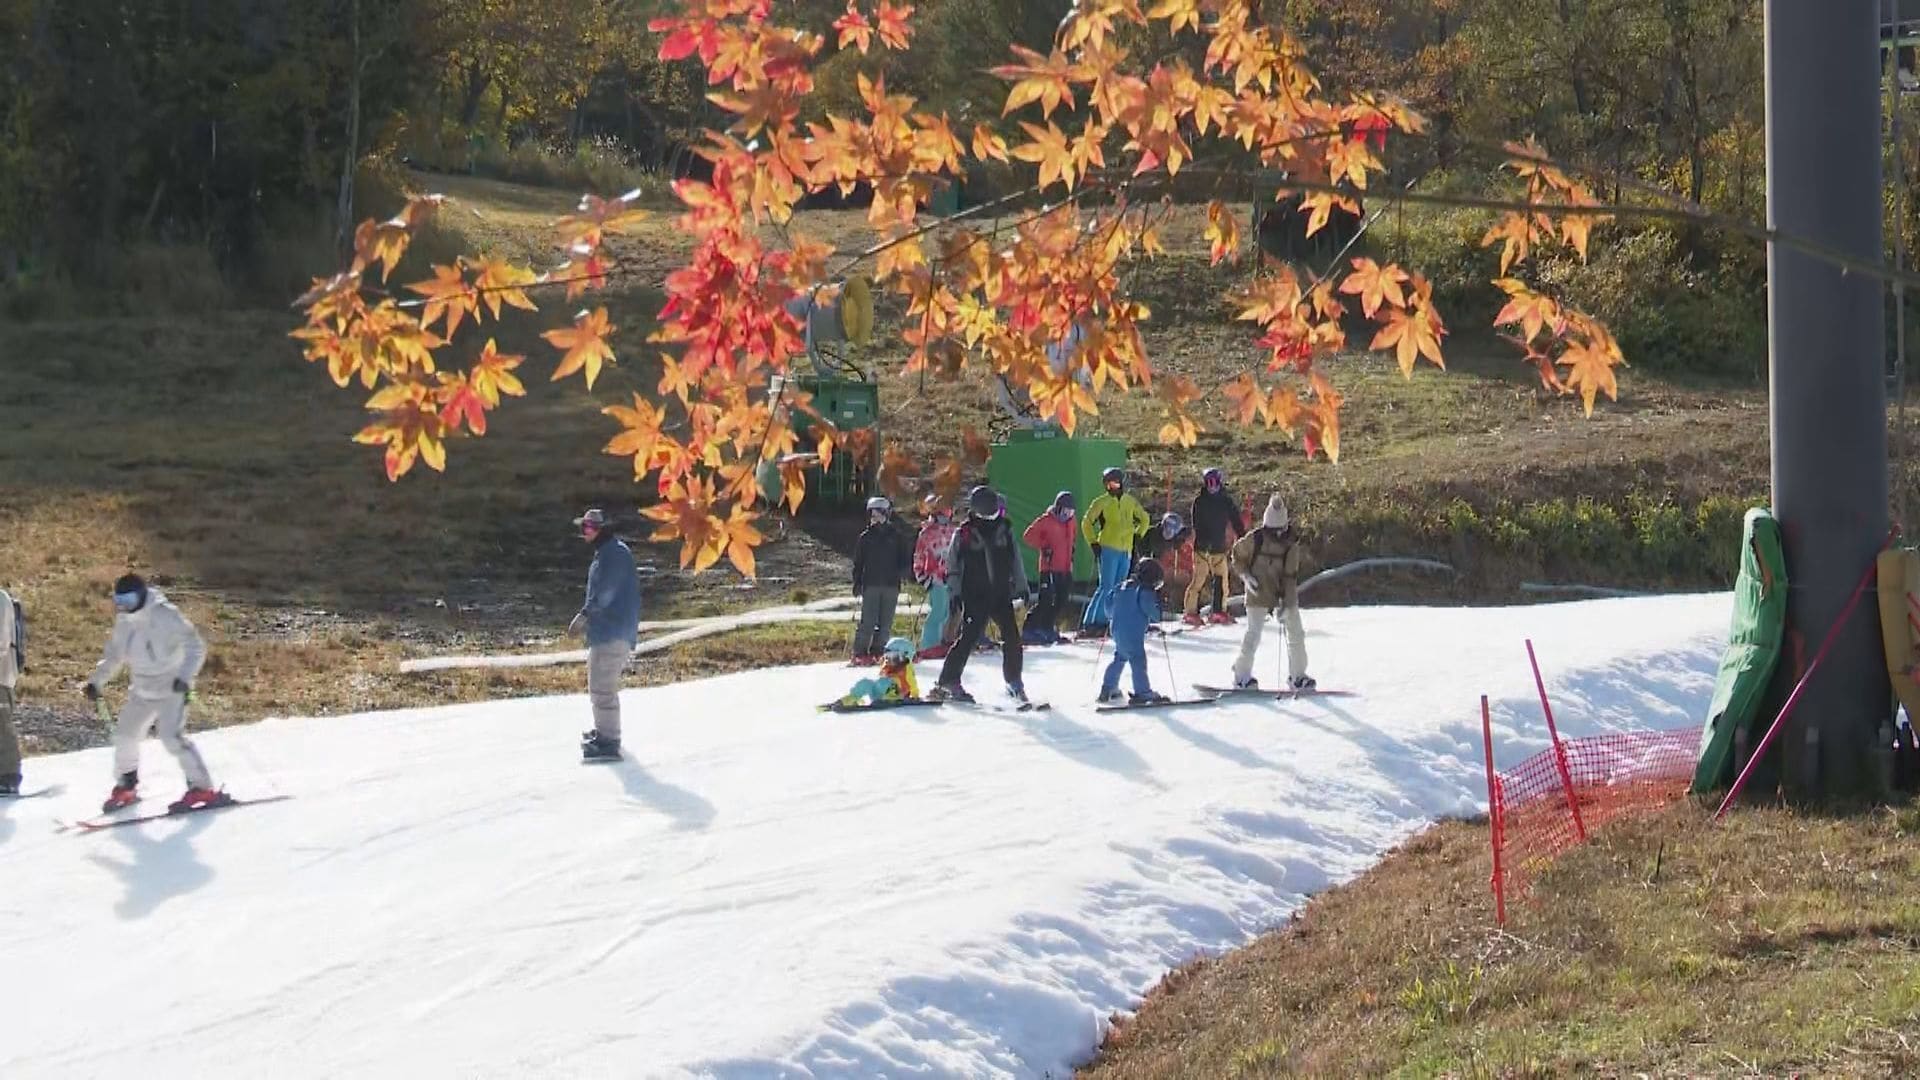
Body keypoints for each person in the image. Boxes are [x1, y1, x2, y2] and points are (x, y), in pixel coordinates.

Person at [85, 574, 220, 813]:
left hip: (172, 687)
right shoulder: (124, 621)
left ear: (142, 595)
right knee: (125, 736)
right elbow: (115, 655)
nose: (124, 605)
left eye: (128, 599)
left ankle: (202, 788)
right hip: (142, 690)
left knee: (171, 738)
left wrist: (185, 677)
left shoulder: (165, 614)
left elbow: (195, 645)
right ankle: (127, 784)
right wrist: (96, 681)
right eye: (119, 600)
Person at [930, 485, 1028, 704]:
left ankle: (1014, 679)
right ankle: (948, 680)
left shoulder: (1005, 529)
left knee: (1012, 636)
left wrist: (1022, 586)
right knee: (969, 637)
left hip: (1001, 593)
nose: (992, 518)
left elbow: (1015, 560)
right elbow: (953, 566)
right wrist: (954, 593)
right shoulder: (964, 533)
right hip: (975, 594)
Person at [568, 508, 642, 762]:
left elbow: (607, 591)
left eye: (588, 528)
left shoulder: (615, 554)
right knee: (597, 682)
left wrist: (585, 615)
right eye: (583, 527)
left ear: (601, 529)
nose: (584, 533)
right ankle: (604, 731)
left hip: (613, 631)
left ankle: (609, 741)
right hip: (606, 631)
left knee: (602, 687)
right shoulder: (607, 552)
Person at [1229, 494, 1315, 691]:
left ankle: (1298, 675)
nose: (1276, 535)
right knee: (1253, 633)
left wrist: (1288, 602)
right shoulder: (1256, 539)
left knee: (1296, 633)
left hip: (1282, 592)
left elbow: (1290, 576)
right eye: (1272, 530)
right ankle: (1241, 674)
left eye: (1280, 530)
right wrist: (1245, 576)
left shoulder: (1291, 544)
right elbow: (1237, 555)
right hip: (1257, 589)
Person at [1079, 467, 1151, 638]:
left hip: (1125, 549)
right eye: (1109, 484)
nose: (1113, 486)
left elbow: (1145, 518)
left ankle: (1109, 619)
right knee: (1106, 586)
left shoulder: (1129, 501)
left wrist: (1138, 535)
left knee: (1119, 587)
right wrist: (1093, 542)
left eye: (1116, 483)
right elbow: (1086, 522)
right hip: (1108, 548)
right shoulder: (1101, 502)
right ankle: (1093, 621)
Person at [1099, 558, 1172, 705]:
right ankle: (1142, 692)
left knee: (1119, 658)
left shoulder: (1121, 587)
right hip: (1133, 634)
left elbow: (1108, 607)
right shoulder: (1143, 592)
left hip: (1117, 631)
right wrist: (1160, 607)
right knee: (1138, 661)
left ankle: (1108, 687)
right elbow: (1153, 613)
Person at [851, 496, 911, 663]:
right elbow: (858, 562)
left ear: (885, 514)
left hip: (891, 584)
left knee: (885, 623)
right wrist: (857, 582)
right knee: (868, 622)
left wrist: (904, 572)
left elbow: (905, 558)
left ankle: (878, 650)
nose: (874, 518)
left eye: (877, 514)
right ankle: (860, 652)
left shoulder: (896, 536)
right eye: (871, 514)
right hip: (871, 584)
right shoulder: (866, 537)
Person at [1187, 466, 1247, 627]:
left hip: (1218, 548)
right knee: (1198, 580)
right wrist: (1203, 540)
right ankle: (1190, 612)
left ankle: (1218, 611)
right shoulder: (1200, 501)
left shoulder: (1225, 501)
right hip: (1202, 549)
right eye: (1208, 483)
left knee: (1222, 581)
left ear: (1220, 482)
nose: (1212, 486)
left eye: (1215, 482)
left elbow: (1235, 519)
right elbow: (1196, 523)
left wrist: (1242, 535)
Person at [1020, 491, 1076, 645]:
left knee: (1061, 599)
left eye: (1070, 512)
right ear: (1058, 508)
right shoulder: (1047, 520)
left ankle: (1047, 627)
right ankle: (1029, 629)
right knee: (1045, 599)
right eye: (1064, 511)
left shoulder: (1071, 522)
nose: (1067, 515)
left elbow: (1072, 536)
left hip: (1064, 568)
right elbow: (1028, 536)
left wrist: (1072, 550)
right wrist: (1044, 545)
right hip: (1049, 567)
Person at [912, 503, 959, 659]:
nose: (944, 519)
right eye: (941, 516)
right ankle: (929, 644)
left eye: (946, 515)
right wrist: (924, 577)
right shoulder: (927, 533)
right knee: (938, 612)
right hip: (936, 578)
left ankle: (943, 642)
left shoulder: (953, 532)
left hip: (951, 578)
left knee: (949, 613)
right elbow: (919, 557)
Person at [832, 636, 920, 708]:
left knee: (885, 682)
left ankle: (889, 699)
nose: (889, 659)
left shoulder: (906, 669)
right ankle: (852, 698)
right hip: (880, 695)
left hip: (897, 695)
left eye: (894, 656)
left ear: (905, 657)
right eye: (887, 656)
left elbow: (912, 683)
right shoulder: (888, 665)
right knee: (865, 683)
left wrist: (915, 696)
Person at [0, 585, 22, 795]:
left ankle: (9, 776)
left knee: (1, 725)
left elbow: (2, 642)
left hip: (1, 676)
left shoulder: (1, 599)